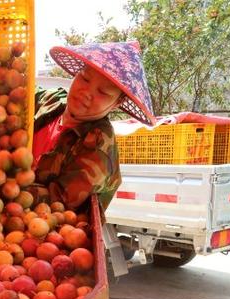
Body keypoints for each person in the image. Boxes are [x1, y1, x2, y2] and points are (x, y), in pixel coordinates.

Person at [31, 41, 156, 212]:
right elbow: (19, 90)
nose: (86, 92)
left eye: (103, 92)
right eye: (84, 78)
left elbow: (60, 199)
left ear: (116, 103)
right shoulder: (53, 100)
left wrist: (6, 185)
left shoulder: (98, 147)